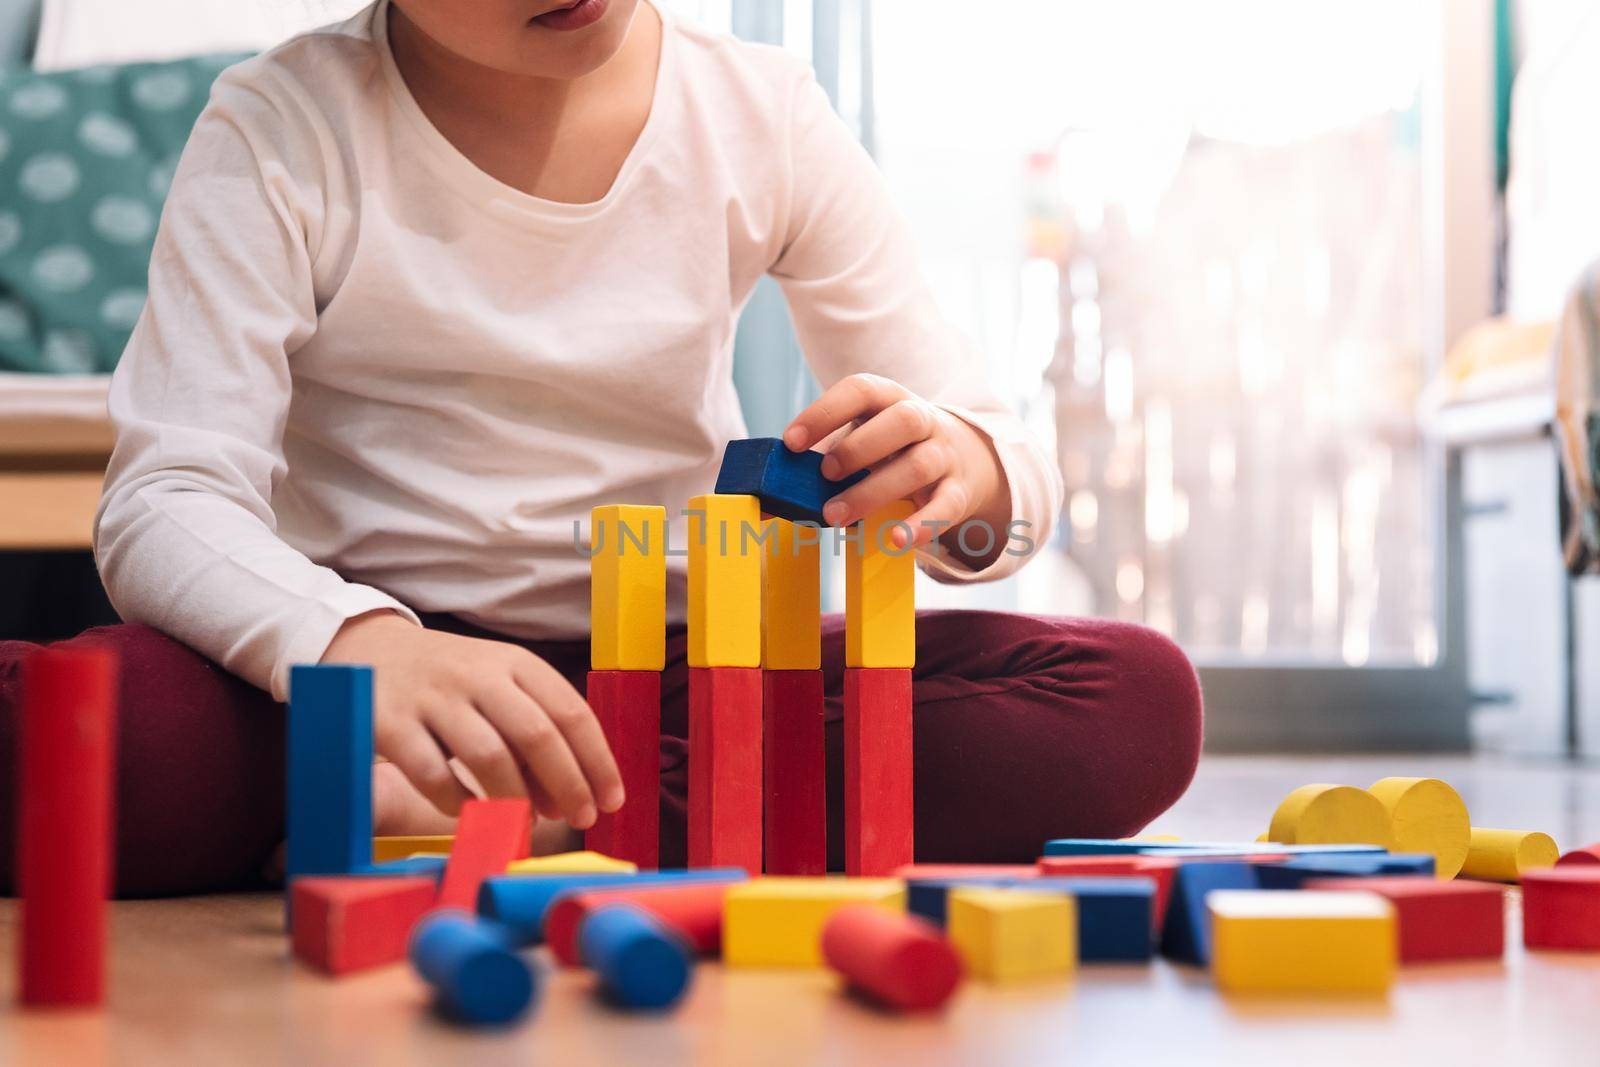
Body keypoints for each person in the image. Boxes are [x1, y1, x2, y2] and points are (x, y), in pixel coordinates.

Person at [0, 0, 1201, 896]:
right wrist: (361, 649)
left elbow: (997, 458)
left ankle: (492, 821)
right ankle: (585, 811)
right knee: (81, 735)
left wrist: (975, 478)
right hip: (369, 686)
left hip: (683, 680)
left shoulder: (759, 111)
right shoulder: (283, 123)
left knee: (1132, 700)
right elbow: (164, 497)